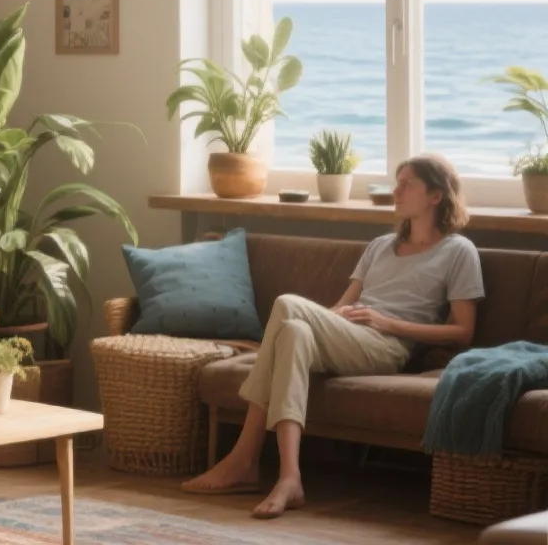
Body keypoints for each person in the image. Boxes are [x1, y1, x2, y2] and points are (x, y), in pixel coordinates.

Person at [181, 154, 483, 519]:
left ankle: (244, 456)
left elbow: (462, 330)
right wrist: (335, 315)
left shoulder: (458, 251)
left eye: (408, 185)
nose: (396, 191)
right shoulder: (380, 246)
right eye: (397, 182)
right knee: (293, 331)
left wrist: (387, 322)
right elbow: (341, 306)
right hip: (347, 335)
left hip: (386, 346)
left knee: (287, 304)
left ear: (435, 195)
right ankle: (290, 478)